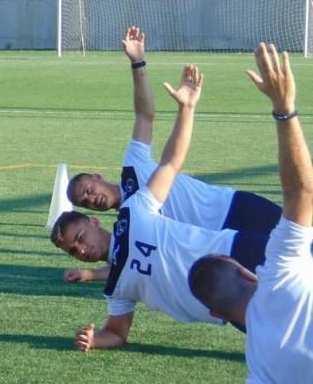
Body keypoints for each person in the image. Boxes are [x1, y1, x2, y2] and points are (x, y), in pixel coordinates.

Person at [51, 64, 268, 352]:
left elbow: (170, 163)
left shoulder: (134, 211)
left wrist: (186, 109)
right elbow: (116, 333)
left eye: (79, 238)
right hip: (226, 304)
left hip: (237, 249)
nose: (80, 249)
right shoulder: (115, 286)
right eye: (73, 251)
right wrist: (94, 340)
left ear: (93, 222)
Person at [63, 27, 281, 284]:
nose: (91, 199)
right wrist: (90, 274)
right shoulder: (130, 223)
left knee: (301, 236)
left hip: (231, 207)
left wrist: (137, 62)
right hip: (218, 249)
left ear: (97, 177)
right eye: (85, 202)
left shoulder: (133, 167)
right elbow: (128, 263)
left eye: (88, 190)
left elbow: (144, 115)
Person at [188, 44, 313, 384]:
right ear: (246, 271)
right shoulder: (279, 270)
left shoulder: (261, 370)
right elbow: (300, 193)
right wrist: (284, 109)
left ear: (216, 315)